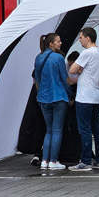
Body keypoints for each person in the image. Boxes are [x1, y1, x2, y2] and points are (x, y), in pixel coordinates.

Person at [68, 27, 99, 172]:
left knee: (84, 129)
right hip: (95, 95)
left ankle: (85, 161)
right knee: (96, 128)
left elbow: (72, 69)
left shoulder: (87, 53)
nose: (80, 40)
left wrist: (78, 68)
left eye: (81, 37)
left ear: (88, 38)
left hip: (84, 96)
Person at [34, 33, 69, 170]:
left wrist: (40, 94)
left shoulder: (38, 58)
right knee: (57, 130)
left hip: (44, 98)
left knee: (48, 130)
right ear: (51, 44)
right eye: (58, 41)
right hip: (59, 96)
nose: (60, 43)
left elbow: (38, 79)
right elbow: (64, 78)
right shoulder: (58, 58)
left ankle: (44, 161)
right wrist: (69, 93)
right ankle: (54, 161)